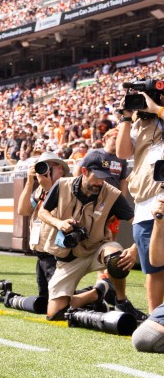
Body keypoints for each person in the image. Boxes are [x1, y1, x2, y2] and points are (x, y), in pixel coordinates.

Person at [35, 158, 145, 321]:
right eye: (98, 177)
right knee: (55, 313)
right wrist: (59, 223)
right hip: (67, 258)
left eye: (104, 178)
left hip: (97, 248)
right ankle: (99, 292)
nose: (101, 183)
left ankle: (121, 302)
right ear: (85, 171)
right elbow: (42, 212)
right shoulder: (62, 185)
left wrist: (135, 249)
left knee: (116, 259)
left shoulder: (112, 194)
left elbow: (137, 220)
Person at [117, 94, 164, 314]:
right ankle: (156, 320)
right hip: (146, 203)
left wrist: (157, 109)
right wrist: (126, 118)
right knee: (153, 269)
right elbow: (122, 152)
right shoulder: (139, 124)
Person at [17, 152, 69, 298]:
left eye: (51, 166)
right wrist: (29, 182)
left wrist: (48, 188)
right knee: (45, 298)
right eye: (44, 166)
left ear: (61, 169)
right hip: (41, 253)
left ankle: (95, 294)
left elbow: (59, 212)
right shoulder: (39, 190)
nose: (46, 170)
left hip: (55, 253)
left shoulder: (66, 187)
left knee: (58, 297)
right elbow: (23, 210)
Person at [74, 128, 128, 195]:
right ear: (106, 138)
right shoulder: (95, 154)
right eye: (115, 138)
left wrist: (122, 199)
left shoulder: (122, 158)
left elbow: (123, 181)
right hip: (95, 195)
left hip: (112, 197)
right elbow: (78, 169)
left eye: (120, 139)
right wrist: (79, 189)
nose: (118, 141)